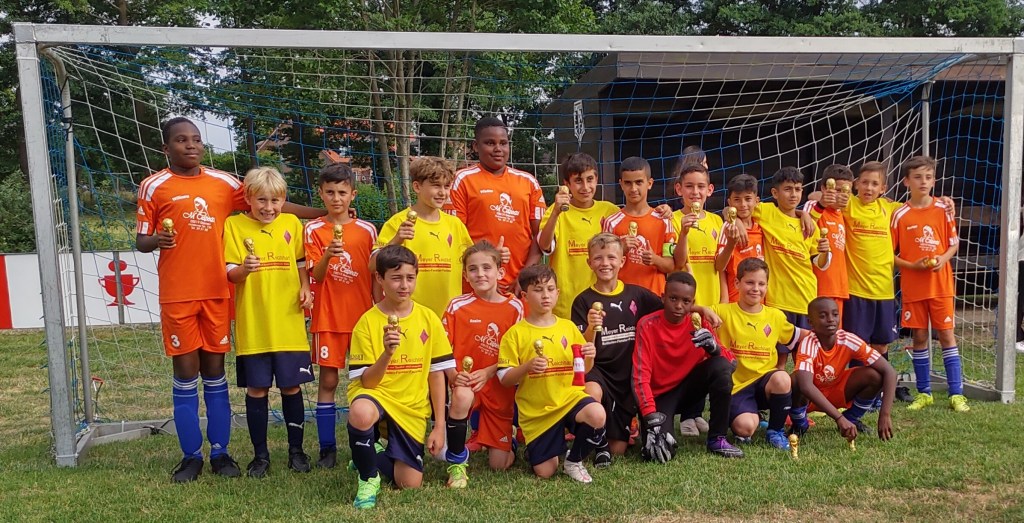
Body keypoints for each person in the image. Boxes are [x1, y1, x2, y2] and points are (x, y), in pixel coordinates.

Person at [136, 117, 321, 482]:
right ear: (166, 148)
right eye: (181, 140)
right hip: (178, 295)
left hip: (219, 294)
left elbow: (269, 201)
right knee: (185, 374)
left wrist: (325, 215)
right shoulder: (153, 186)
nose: (191, 145)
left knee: (215, 373)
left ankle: (220, 453)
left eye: (196, 139)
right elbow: (141, 240)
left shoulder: (223, 183)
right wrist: (158, 239)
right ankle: (191, 456)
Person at [346, 245, 457, 509]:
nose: (404, 285)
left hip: (412, 406)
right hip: (377, 394)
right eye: (396, 278)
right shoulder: (367, 323)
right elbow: (368, 382)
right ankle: (368, 478)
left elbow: (436, 375)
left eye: (410, 277)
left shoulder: (428, 319)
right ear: (380, 278)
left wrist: (439, 426)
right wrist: (387, 353)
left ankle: (369, 453)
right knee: (360, 412)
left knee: (409, 483)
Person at [224, 167, 315, 477]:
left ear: (283, 200)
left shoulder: (291, 223)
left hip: (288, 322)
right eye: (261, 200)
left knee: (291, 387)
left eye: (275, 201)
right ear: (248, 198)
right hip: (255, 324)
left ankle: (296, 451)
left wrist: (305, 287)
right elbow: (231, 274)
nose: (268, 207)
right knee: (257, 389)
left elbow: (301, 263)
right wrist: (245, 269)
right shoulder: (234, 225)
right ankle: (260, 456)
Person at [497, 265, 605, 483]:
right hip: (538, 412)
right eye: (538, 290)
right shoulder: (515, 334)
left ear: (557, 293)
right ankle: (541, 447)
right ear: (525, 296)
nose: (545, 295)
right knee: (545, 472)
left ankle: (573, 461)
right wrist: (527, 367)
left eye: (550, 289)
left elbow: (584, 369)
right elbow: (504, 379)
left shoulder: (568, 327)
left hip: (568, 399)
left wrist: (590, 353)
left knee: (597, 414)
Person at [304, 163, 378, 469]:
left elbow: (375, 275)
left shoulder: (367, 230)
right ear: (321, 194)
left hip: (363, 319)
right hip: (329, 318)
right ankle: (327, 448)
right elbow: (316, 275)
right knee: (329, 380)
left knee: (368, 381)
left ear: (353, 195)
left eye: (342, 192)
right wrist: (328, 255)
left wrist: (378, 310)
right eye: (330, 192)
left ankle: (371, 441)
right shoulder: (313, 230)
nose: (337, 198)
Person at [571, 232, 663, 466]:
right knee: (591, 391)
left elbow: (669, 310)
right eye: (598, 258)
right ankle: (599, 445)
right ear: (589, 262)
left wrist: (702, 310)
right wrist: (591, 327)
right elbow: (582, 349)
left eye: (611, 257)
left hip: (626, 376)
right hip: (598, 372)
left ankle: (618, 431)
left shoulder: (637, 295)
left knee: (619, 449)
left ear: (622, 261)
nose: (605, 263)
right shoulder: (583, 301)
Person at [632, 271, 743, 461]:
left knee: (720, 366)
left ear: (693, 303)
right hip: (661, 396)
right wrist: (650, 416)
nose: (678, 305)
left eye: (685, 301)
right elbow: (640, 377)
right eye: (673, 298)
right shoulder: (647, 325)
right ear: (663, 297)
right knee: (660, 453)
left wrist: (714, 348)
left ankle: (717, 438)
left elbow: (731, 364)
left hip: (690, 390)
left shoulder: (698, 322)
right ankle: (654, 427)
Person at [891, 155, 969, 412]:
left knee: (946, 334)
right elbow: (889, 254)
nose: (923, 182)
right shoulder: (899, 214)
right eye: (917, 177)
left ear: (934, 180)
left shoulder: (943, 209)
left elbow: (953, 244)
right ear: (906, 182)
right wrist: (912, 266)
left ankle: (956, 394)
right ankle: (924, 393)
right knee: (920, 336)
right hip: (913, 287)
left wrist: (942, 259)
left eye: (928, 177)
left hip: (941, 285)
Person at [442, 241, 524, 473]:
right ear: (465, 276)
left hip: (499, 387)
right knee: (461, 396)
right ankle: (457, 461)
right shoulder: (457, 306)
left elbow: (518, 354)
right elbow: (441, 349)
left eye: (487, 268)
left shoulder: (515, 307)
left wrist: (488, 372)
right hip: (466, 382)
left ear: (500, 272)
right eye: (473, 269)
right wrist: (454, 375)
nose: (480, 274)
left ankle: (507, 442)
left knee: (499, 465)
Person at [710, 258, 804, 450]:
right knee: (745, 428)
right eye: (750, 282)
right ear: (737, 283)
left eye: (761, 284)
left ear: (767, 286)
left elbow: (799, 335)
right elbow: (690, 313)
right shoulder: (722, 312)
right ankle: (747, 416)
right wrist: (702, 309)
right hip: (737, 387)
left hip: (765, 383)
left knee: (782, 378)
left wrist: (830, 335)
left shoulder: (775, 316)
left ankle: (775, 431)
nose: (756, 288)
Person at [447, 117, 546, 294]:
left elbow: (540, 236)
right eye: (490, 143)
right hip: (477, 285)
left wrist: (525, 276)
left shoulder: (528, 182)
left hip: (520, 286)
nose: (498, 149)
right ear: (476, 146)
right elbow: (454, 238)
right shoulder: (462, 180)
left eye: (503, 143)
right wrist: (485, 268)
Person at [375, 157, 478, 317]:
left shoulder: (455, 225)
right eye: (436, 185)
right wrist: (396, 241)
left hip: (448, 316)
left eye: (446, 186)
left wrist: (494, 256)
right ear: (417, 186)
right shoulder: (398, 223)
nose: (442, 192)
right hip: (410, 316)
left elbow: (472, 262)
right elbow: (372, 265)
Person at [790, 297, 896, 442]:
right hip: (811, 397)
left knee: (874, 376)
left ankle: (851, 419)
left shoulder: (847, 339)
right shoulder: (808, 343)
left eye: (835, 314)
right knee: (796, 380)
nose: (830, 319)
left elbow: (890, 371)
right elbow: (806, 386)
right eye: (823, 316)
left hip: (837, 390)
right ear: (810, 322)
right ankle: (800, 424)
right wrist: (838, 417)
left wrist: (885, 414)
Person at [538, 152, 619, 318]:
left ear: (597, 179)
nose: (585, 187)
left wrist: (664, 211)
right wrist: (555, 213)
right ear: (566, 184)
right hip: (566, 304)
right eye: (578, 181)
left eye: (590, 179)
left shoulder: (610, 211)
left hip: (603, 301)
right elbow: (544, 246)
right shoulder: (556, 212)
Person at [753, 167, 830, 330]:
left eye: (798, 189)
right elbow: (736, 208)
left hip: (805, 297)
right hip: (777, 300)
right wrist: (735, 220)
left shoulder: (810, 226)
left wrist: (825, 252)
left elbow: (820, 264)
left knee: (805, 346)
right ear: (775, 193)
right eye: (788, 189)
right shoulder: (766, 212)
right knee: (779, 347)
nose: (793, 194)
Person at [603, 157, 677, 295]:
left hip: (654, 297)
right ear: (621, 184)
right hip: (621, 299)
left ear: (649, 183)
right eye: (628, 183)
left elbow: (671, 265)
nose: (633, 189)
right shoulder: (611, 222)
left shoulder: (664, 220)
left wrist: (655, 259)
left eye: (638, 182)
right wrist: (620, 249)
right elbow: (603, 265)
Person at [672, 162, 725, 306]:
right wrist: (684, 233)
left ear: (709, 190)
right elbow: (679, 263)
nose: (695, 192)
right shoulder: (672, 220)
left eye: (701, 186)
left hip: (713, 301)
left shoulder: (717, 221)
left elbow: (721, 268)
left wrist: (724, 300)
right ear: (679, 189)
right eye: (689, 186)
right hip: (684, 304)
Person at [809, 164, 854, 324]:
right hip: (820, 286)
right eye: (838, 190)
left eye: (847, 191)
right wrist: (821, 202)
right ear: (824, 188)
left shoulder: (842, 213)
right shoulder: (815, 207)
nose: (842, 195)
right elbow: (805, 225)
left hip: (839, 287)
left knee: (835, 333)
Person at [715, 174, 764, 303]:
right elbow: (719, 266)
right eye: (737, 199)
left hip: (761, 303)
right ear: (729, 202)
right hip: (736, 301)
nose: (743, 204)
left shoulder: (762, 226)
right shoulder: (728, 227)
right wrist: (731, 243)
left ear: (756, 201)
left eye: (748, 199)